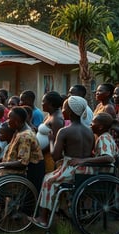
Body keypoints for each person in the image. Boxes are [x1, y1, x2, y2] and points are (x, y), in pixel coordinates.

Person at [29, 96, 95, 226]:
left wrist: (52, 141)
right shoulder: (89, 131)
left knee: (48, 180)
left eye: (64, 108)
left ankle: (43, 218)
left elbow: (55, 157)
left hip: (70, 168)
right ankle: (61, 211)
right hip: (87, 169)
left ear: (70, 112)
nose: (62, 111)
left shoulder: (65, 131)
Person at [37, 91, 64, 173]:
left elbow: (56, 141)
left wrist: (40, 152)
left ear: (50, 103)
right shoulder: (50, 115)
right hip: (42, 155)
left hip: (48, 157)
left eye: (43, 101)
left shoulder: (57, 119)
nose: (41, 104)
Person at [111, 83, 119, 153]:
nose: (114, 96)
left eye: (116, 94)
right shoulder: (118, 107)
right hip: (117, 147)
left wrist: (113, 126)